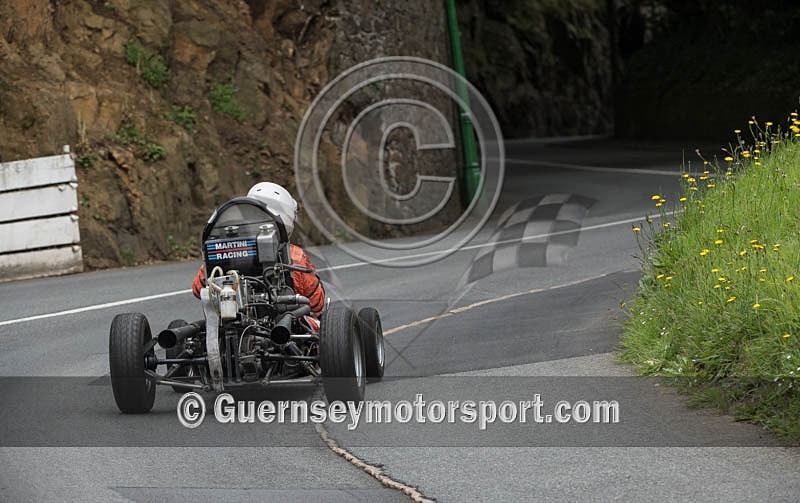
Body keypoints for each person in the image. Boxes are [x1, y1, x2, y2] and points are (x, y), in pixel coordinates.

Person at [191, 182, 325, 316]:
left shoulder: (220, 251)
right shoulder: (294, 256)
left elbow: (198, 290)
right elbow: (316, 303)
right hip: (282, 327)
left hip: (232, 322)